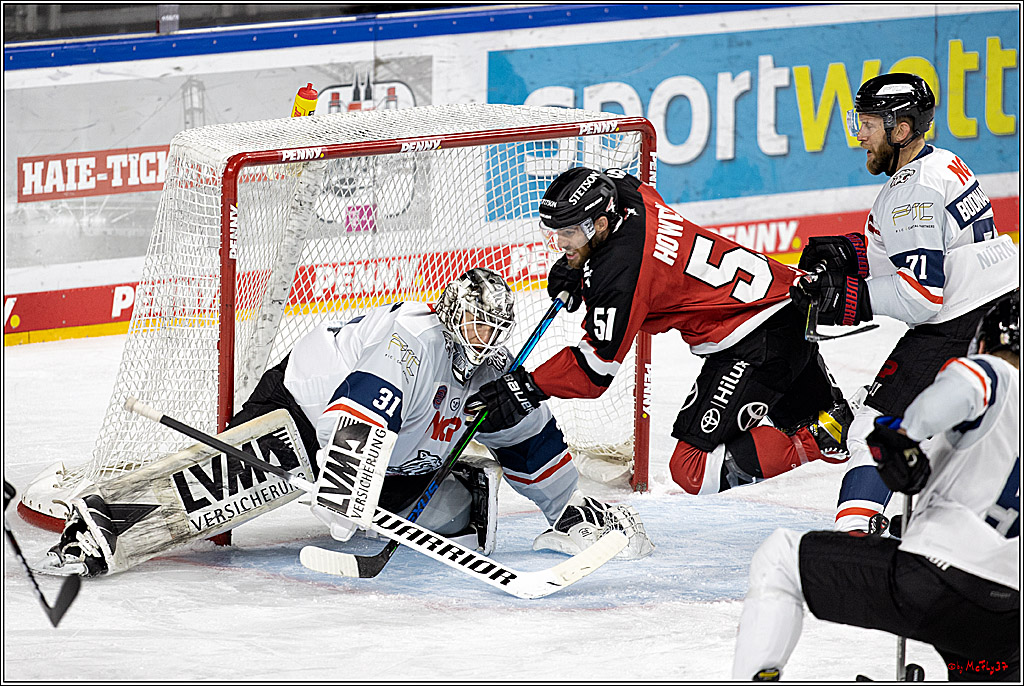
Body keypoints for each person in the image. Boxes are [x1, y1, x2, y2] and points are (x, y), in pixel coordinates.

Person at [46, 268, 653, 576]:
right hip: (303, 411)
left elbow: (529, 436)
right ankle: (101, 525)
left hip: (396, 453)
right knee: (242, 480)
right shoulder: (413, 339)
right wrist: (343, 494)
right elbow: (361, 408)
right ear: (452, 315)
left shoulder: (492, 368)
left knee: (464, 503)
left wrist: (564, 508)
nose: (484, 338)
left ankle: (561, 513)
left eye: (494, 329)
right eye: (475, 325)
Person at [466, 167, 851, 497]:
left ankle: (816, 440)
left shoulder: (620, 276)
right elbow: (623, 185)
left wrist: (526, 387)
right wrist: (576, 265)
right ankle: (835, 424)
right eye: (555, 232)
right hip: (788, 305)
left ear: (600, 224)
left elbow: (594, 371)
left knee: (692, 471)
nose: (560, 243)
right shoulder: (627, 195)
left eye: (569, 233)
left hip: (755, 340)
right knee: (835, 422)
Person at [731, 291, 1020, 682]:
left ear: (984, 343)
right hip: (1008, 617)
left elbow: (955, 393)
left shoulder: (996, 372)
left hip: (936, 582)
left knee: (780, 558)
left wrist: (906, 435)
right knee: (981, 668)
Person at [787, 72, 1019, 533]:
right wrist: (851, 253)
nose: (860, 135)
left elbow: (921, 296)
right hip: (1003, 308)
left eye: (869, 124)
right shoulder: (943, 162)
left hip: (961, 321)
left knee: (877, 428)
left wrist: (847, 298)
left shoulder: (912, 191)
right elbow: (926, 247)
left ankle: (854, 540)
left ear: (901, 129)